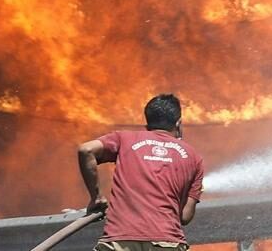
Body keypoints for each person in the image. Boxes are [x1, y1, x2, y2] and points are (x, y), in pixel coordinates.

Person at [78, 93, 204, 251]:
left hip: (120, 241)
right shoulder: (194, 157)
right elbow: (184, 217)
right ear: (178, 123)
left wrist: (96, 197)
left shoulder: (125, 139)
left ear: (147, 123)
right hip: (167, 243)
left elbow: (86, 150)